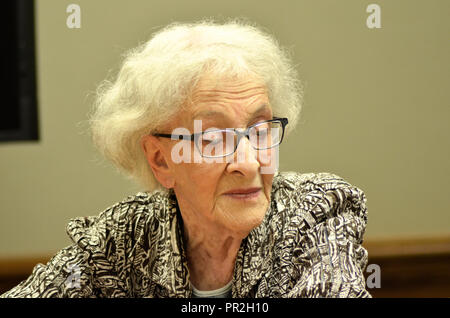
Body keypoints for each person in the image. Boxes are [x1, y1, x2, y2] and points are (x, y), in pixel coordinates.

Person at [1, 19, 370, 298]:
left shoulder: (317, 212)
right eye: (213, 138)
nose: (250, 162)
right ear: (161, 160)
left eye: (260, 130)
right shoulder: (120, 242)